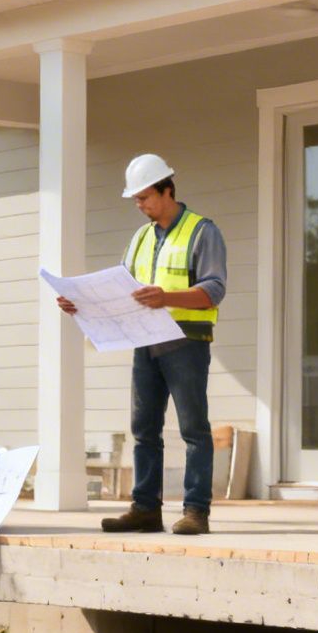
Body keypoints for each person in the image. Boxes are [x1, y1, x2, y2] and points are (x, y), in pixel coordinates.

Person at [57, 152, 228, 535]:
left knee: (193, 429)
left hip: (186, 341)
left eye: (145, 197)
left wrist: (166, 297)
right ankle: (146, 509)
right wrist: (80, 304)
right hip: (145, 343)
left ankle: (196, 511)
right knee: (143, 428)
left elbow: (214, 290)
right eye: (135, 199)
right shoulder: (140, 238)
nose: (140, 205)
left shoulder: (203, 231)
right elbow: (122, 291)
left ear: (168, 190)